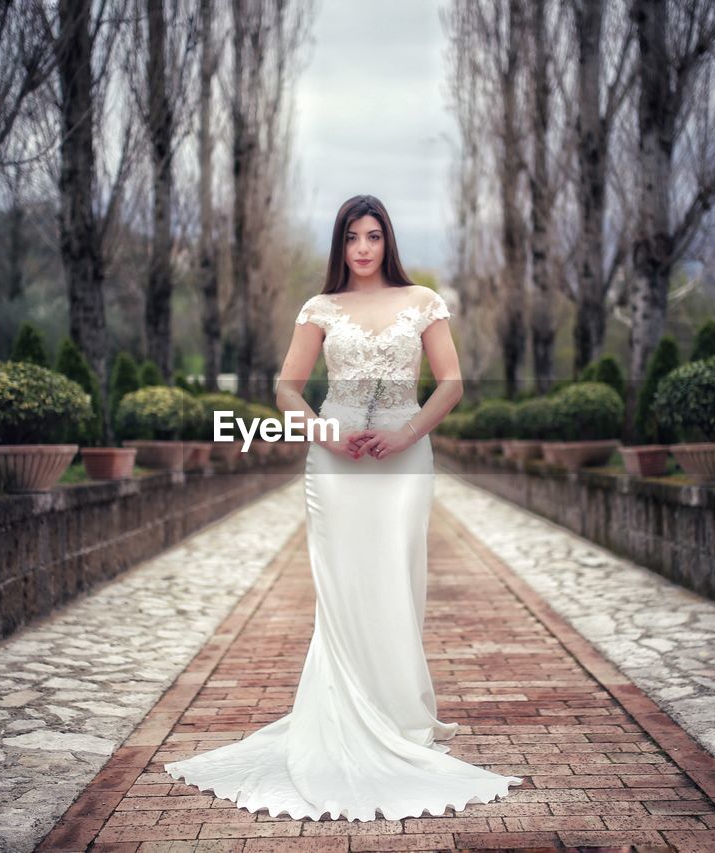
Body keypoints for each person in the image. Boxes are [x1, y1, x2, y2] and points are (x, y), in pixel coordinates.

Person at [163, 194, 523, 821]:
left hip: (404, 458)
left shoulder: (422, 302)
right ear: (340, 244)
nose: (362, 247)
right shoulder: (320, 308)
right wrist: (325, 433)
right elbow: (286, 389)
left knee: (395, 576)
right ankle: (341, 714)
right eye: (352, 236)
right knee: (344, 584)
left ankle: (398, 712)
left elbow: (453, 383)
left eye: (374, 235)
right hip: (334, 462)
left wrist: (403, 435)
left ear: (388, 242)